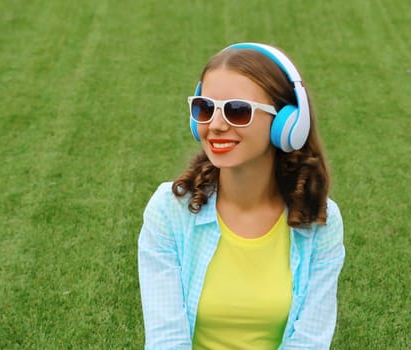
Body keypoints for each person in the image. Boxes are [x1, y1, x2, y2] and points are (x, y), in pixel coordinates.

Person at [137, 42, 346, 349]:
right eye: (205, 108)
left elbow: (309, 342)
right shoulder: (169, 210)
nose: (216, 125)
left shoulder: (320, 220)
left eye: (237, 111)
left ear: (287, 124)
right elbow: (166, 340)